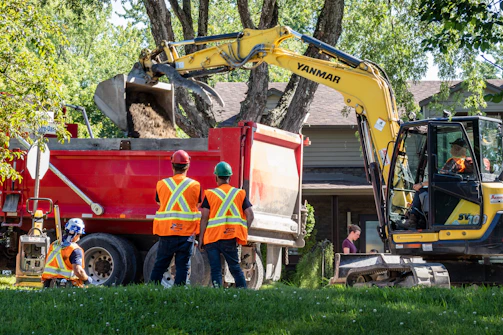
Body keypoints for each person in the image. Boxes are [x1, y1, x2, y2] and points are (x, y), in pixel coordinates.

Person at [199, 161, 254, 288]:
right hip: (230, 237)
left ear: (216, 177)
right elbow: (250, 215)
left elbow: (204, 217)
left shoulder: (210, 194)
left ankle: (218, 294)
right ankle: (243, 293)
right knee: (235, 267)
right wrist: (243, 231)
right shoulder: (239, 194)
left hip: (211, 238)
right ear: (230, 177)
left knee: (215, 269)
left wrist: (201, 236)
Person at [150, 150, 201, 286]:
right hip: (186, 233)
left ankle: (151, 289)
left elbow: (160, 202)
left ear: (172, 166)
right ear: (188, 166)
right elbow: (196, 203)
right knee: (183, 266)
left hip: (167, 231)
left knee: (160, 264)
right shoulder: (195, 185)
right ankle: (179, 291)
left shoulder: (161, 184)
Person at [405, 137, 468, 228]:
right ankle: (420, 218)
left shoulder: (453, 162)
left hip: (445, 192)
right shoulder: (464, 162)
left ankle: (414, 219)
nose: (450, 150)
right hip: (453, 190)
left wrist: (421, 184)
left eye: (452, 147)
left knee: (420, 191)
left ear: (457, 149)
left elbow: (438, 179)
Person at [41, 218, 92, 288]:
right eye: (79, 235)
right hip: (65, 286)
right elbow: (78, 271)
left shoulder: (54, 244)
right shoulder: (75, 249)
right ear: (77, 234)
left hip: (48, 284)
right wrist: (87, 279)